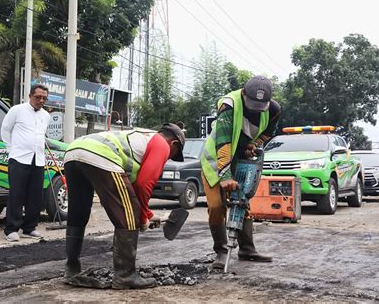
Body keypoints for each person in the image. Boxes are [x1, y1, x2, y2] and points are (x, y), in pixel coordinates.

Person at [63, 123, 185, 289]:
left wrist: (148, 215)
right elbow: (143, 185)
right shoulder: (162, 144)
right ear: (174, 144)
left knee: (78, 213)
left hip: (74, 151)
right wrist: (141, 218)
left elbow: (131, 191)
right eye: (173, 155)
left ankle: (71, 269)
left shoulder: (142, 138)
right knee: (129, 216)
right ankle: (125, 276)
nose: (168, 159)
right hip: (100, 155)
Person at [200, 75, 281, 269]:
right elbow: (224, 141)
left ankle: (247, 249)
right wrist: (225, 176)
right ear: (244, 93)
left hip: (240, 159)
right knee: (218, 206)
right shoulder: (229, 105)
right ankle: (221, 251)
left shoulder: (274, 109)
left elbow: (269, 132)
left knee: (241, 202)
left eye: (261, 104)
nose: (256, 108)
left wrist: (252, 145)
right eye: (253, 103)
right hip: (216, 159)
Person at [1, 84, 50, 242]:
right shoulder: (17, 110)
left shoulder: (46, 116)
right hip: (19, 158)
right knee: (16, 194)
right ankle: (11, 229)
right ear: (30, 96)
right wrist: (11, 150)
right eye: (38, 97)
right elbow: (5, 130)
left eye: (44, 98)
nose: (41, 100)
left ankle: (29, 227)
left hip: (38, 159)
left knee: (35, 196)